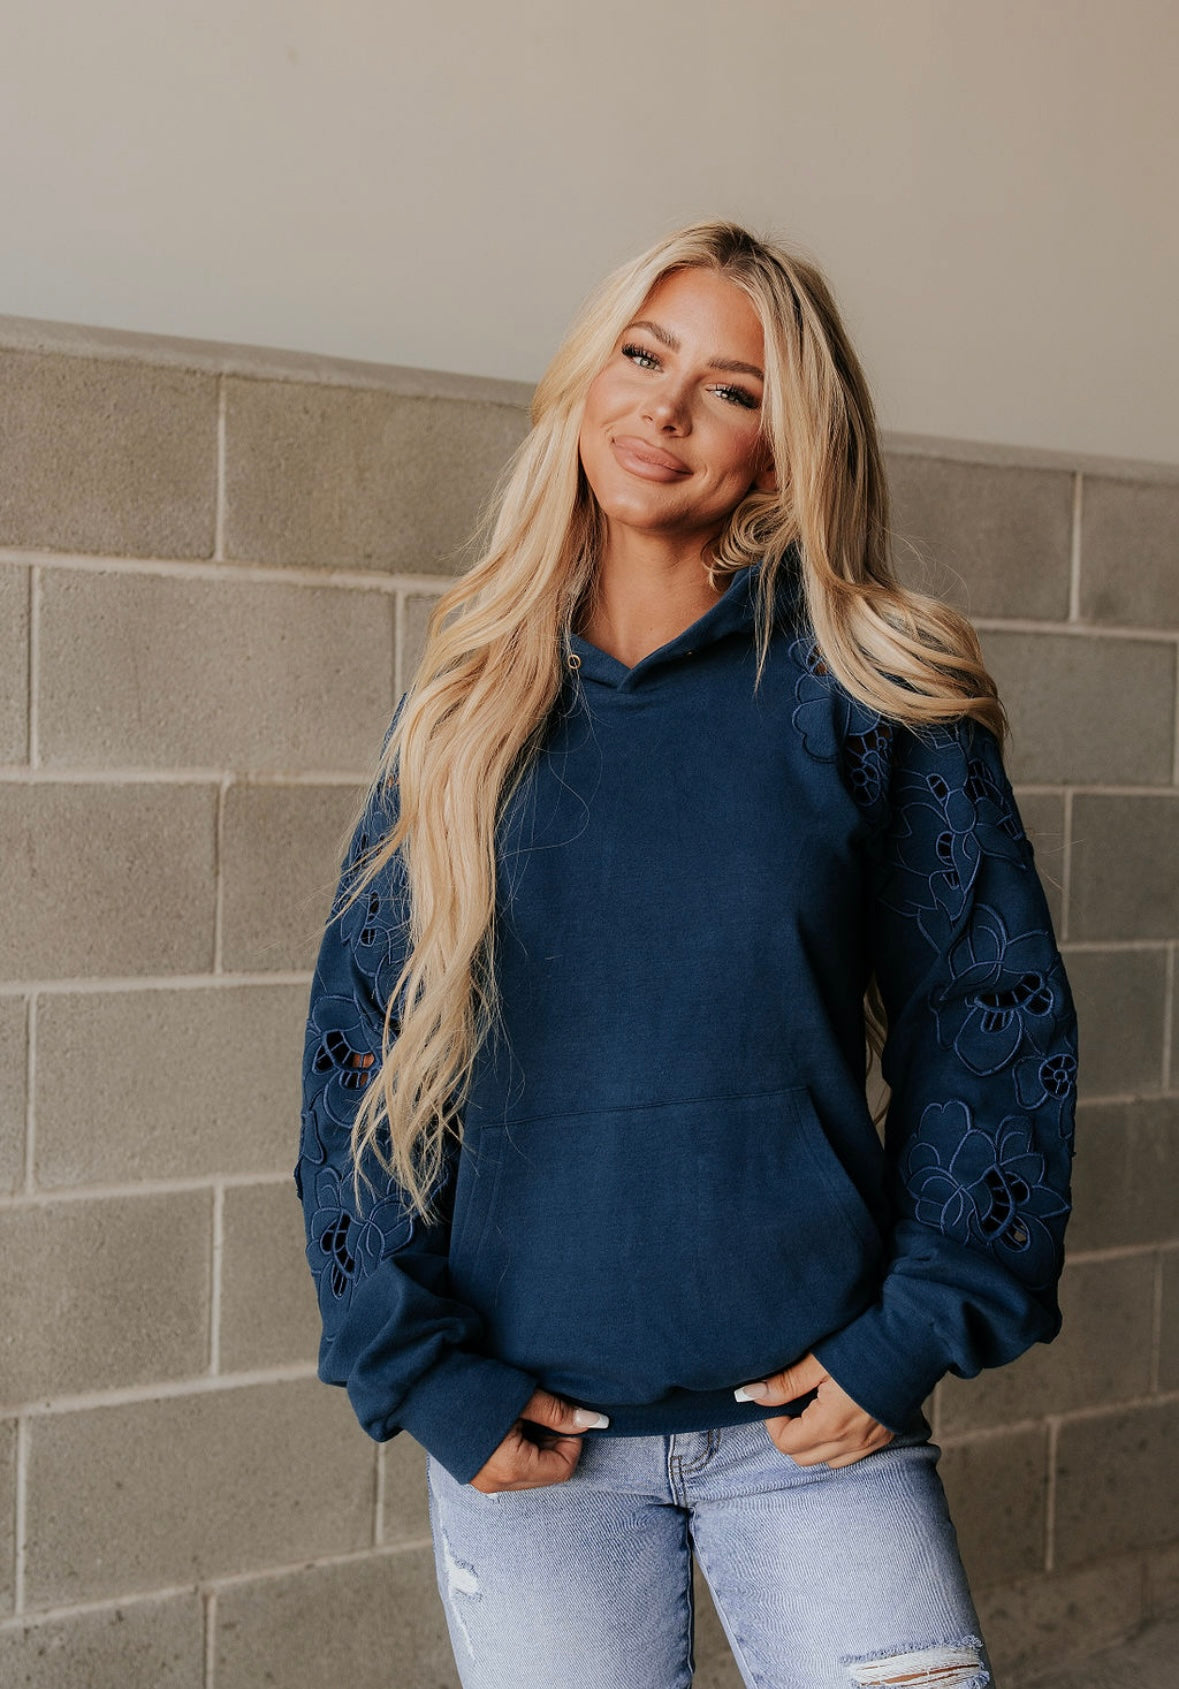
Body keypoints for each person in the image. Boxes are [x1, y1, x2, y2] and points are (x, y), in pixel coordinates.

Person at [295, 220, 1078, 1688]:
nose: (664, 408)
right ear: (588, 377)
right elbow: (360, 1051)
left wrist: (912, 1332)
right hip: (535, 1440)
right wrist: (418, 1367)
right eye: (643, 356)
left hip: (814, 1430)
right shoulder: (466, 713)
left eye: (731, 388)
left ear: (785, 449)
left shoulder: (872, 695)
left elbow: (995, 1019)